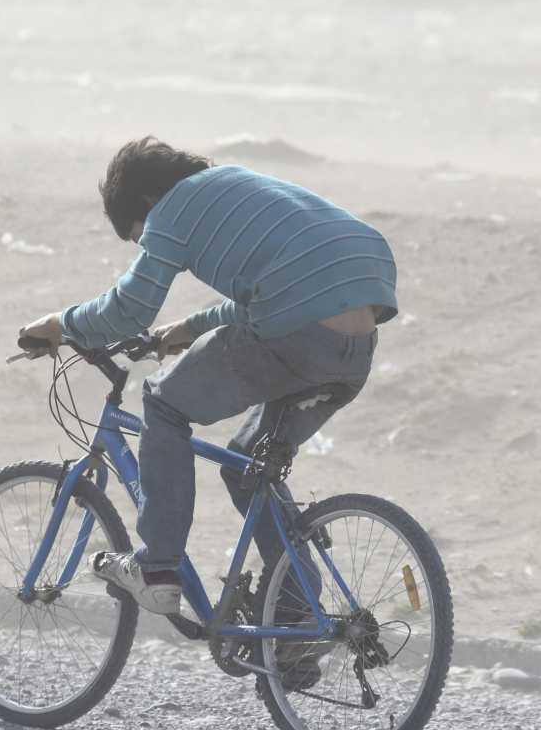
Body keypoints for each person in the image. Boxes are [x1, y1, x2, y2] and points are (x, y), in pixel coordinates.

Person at [21, 136, 398, 622]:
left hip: (296, 333)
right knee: (247, 465)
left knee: (162, 400)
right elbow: (279, 291)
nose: (146, 245)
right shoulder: (235, 185)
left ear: (146, 204)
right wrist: (187, 328)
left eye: (139, 238)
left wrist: (61, 324)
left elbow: (130, 308)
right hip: (354, 346)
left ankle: (156, 569)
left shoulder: (170, 211)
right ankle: (297, 615)